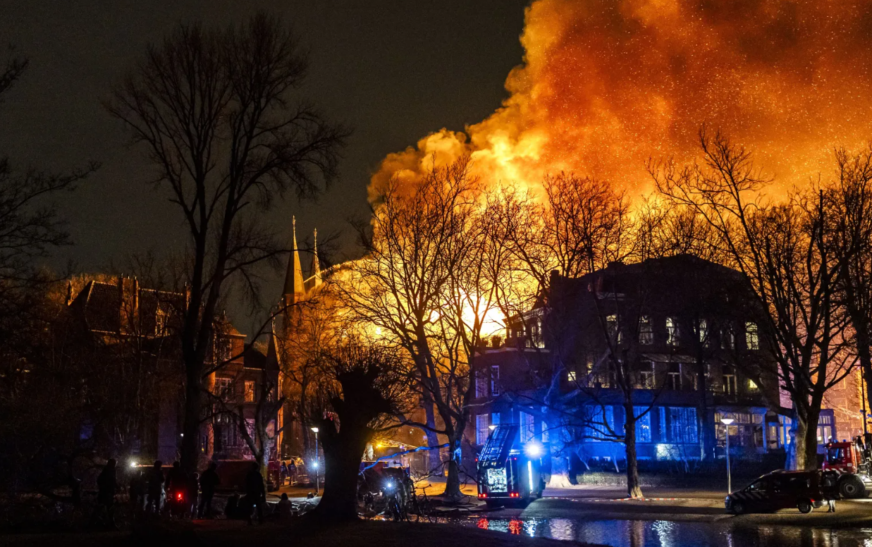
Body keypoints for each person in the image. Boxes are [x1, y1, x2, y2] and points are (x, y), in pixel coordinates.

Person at [90, 458, 117, 528]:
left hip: (104, 491)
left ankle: (95, 521)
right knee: (109, 507)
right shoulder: (111, 470)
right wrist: (116, 486)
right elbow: (113, 480)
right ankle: (110, 523)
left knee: (101, 506)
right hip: (107, 491)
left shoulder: (106, 470)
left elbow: (100, 479)